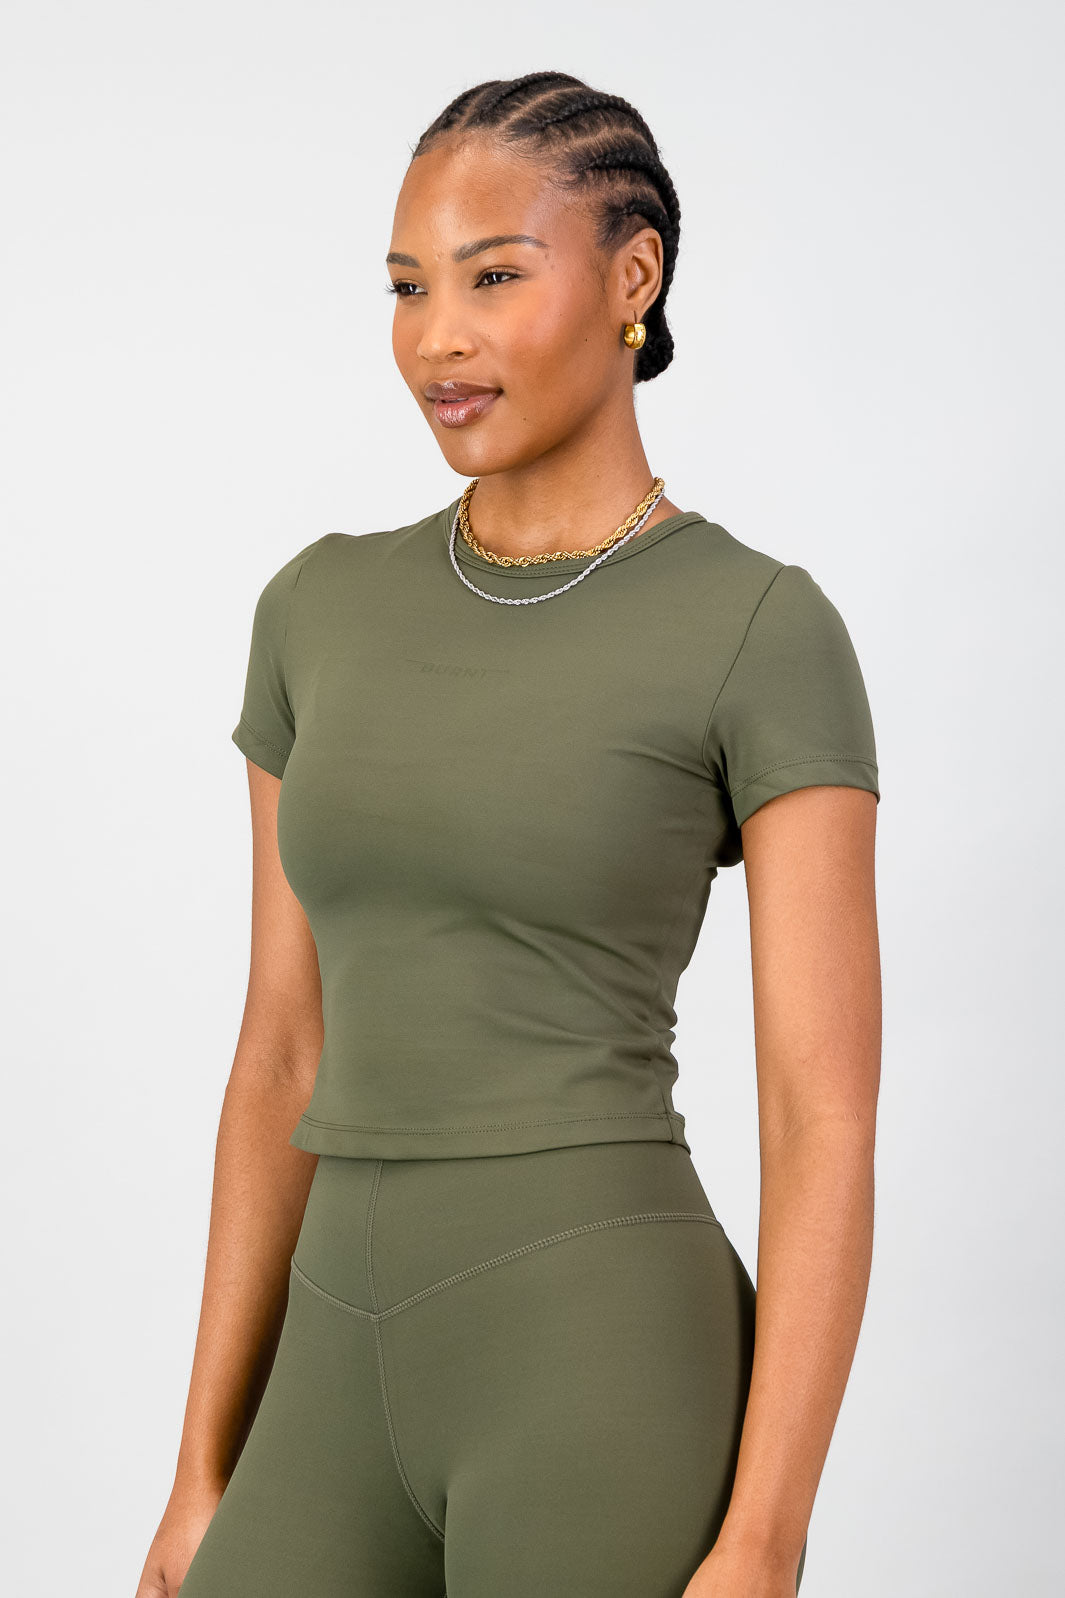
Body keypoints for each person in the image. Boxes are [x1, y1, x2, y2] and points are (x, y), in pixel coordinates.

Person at [136, 71, 881, 1598]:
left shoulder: (755, 628)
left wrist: (763, 1535)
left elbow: (820, 1110)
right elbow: (281, 1043)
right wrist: (200, 1464)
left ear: (631, 278)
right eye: (407, 287)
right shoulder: (317, 610)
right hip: (329, 1355)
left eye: (491, 277)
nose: (437, 338)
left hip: (597, 1351)